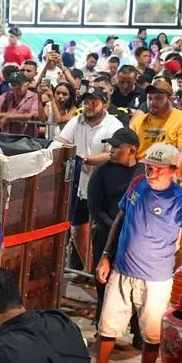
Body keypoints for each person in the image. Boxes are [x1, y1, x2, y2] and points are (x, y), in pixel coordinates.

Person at [94, 143, 182, 363]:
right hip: (123, 268)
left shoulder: (180, 198)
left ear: (173, 170)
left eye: (157, 170)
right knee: (107, 326)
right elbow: (121, 216)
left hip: (156, 277)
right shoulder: (138, 183)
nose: (151, 173)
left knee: (152, 334)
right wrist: (106, 255)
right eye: (148, 167)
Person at [54, 88, 124, 271]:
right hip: (79, 186)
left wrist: (83, 159)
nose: (89, 106)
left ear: (104, 103)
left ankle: (104, 272)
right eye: (86, 102)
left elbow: (111, 154)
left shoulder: (114, 125)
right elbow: (60, 141)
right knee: (79, 234)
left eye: (94, 102)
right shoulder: (76, 120)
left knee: (103, 236)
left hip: (104, 189)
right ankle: (91, 272)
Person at [129, 78, 182, 159]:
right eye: (150, 98)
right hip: (141, 166)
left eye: (158, 98)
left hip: (170, 167)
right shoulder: (138, 122)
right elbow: (129, 149)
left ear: (170, 100)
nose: (152, 102)